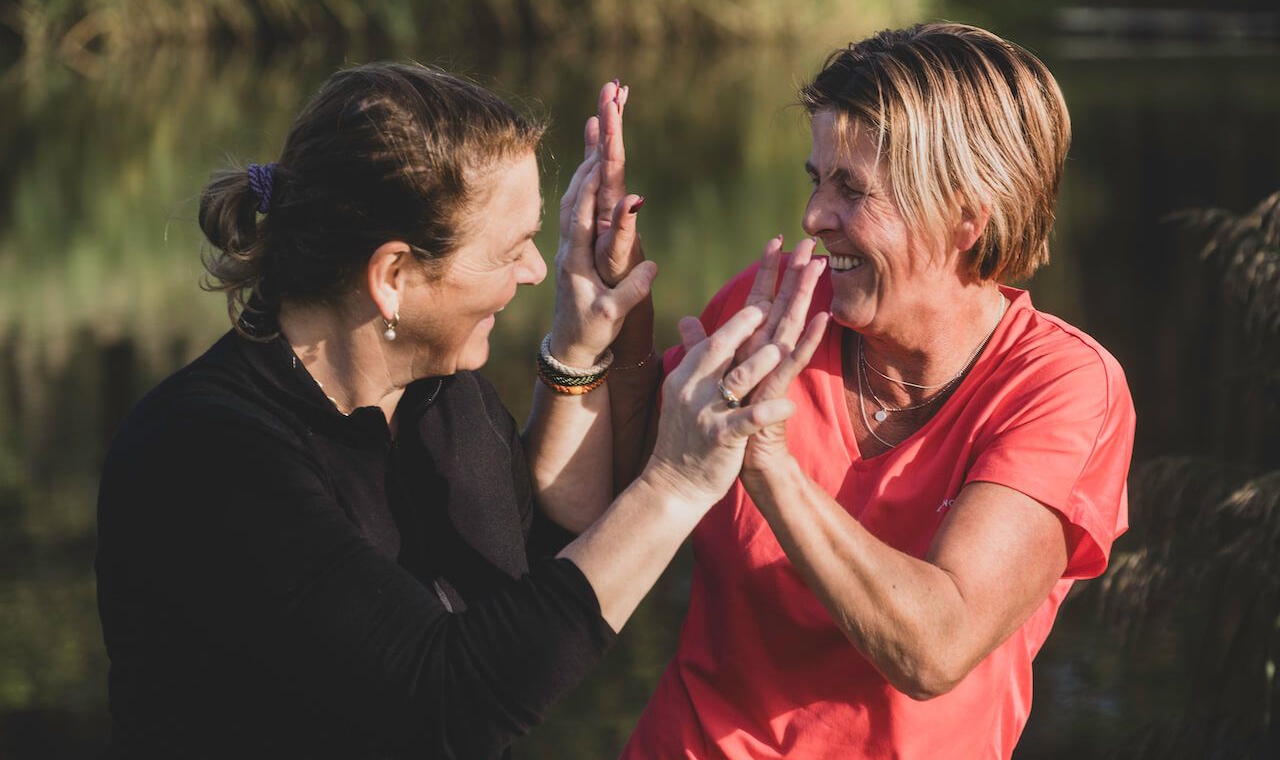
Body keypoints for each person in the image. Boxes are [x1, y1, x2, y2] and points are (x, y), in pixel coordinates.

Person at [94, 62, 826, 759]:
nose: (537, 270)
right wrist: (674, 484)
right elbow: (447, 699)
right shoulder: (206, 454)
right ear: (393, 276)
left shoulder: (434, 390)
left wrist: (576, 350)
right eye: (513, 250)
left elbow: (545, 566)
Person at [617, 23, 1136, 758]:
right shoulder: (776, 308)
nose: (813, 217)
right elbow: (600, 487)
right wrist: (607, 321)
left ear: (966, 215)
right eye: (816, 179)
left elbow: (935, 647)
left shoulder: (1060, 386)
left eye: (852, 188)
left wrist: (766, 463)